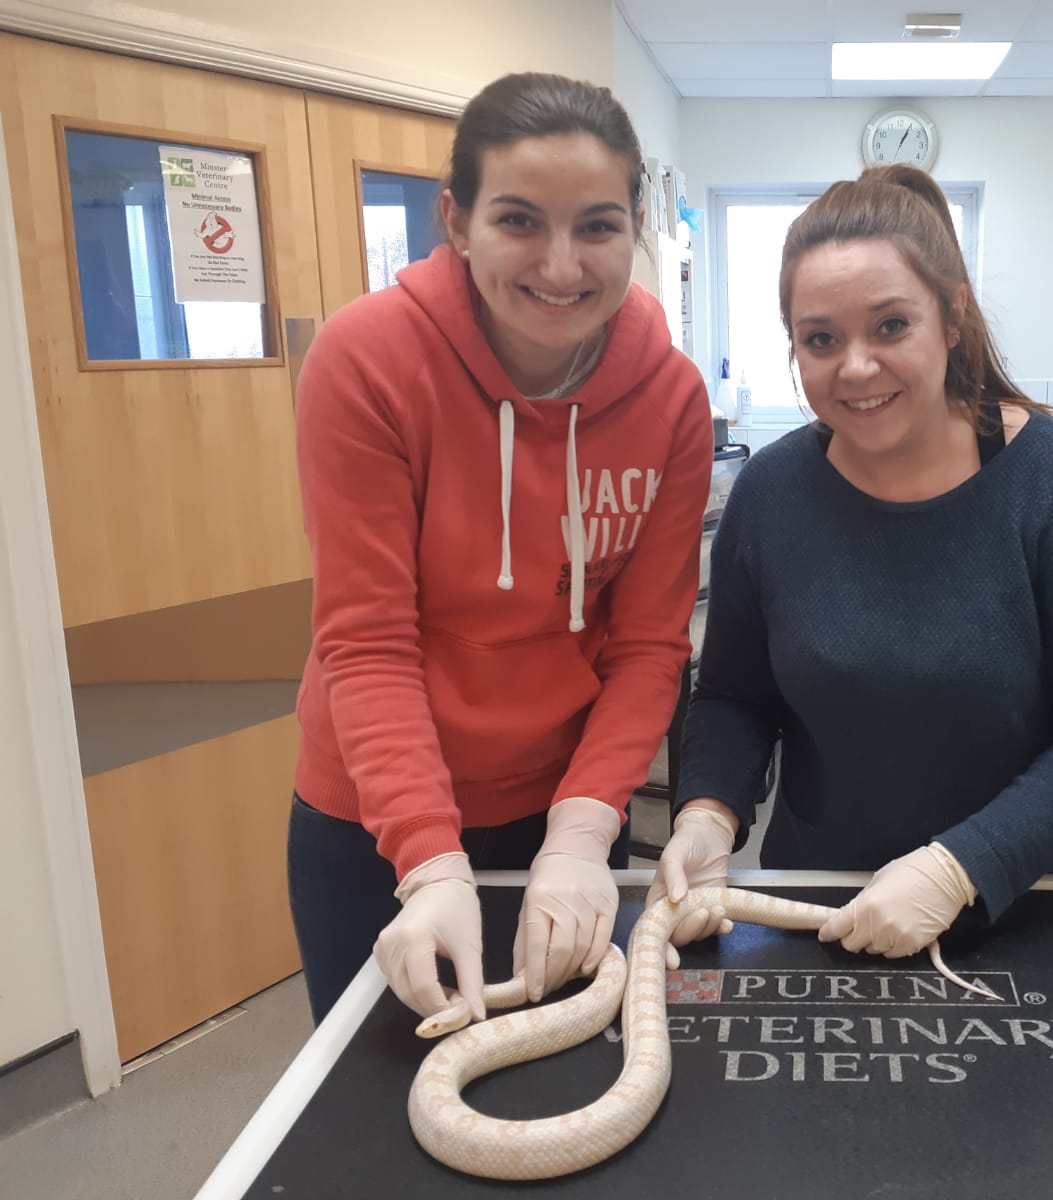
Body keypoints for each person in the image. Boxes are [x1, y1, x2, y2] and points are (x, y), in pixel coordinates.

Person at [648, 164, 1053, 963]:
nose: (854, 366)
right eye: (820, 339)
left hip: (1035, 914)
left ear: (951, 317)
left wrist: (960, 867)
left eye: (889, 326)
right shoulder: (774, 492)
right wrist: (706, 815)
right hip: (824, 912)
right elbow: (735, 697)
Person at [288, 72, 711, 1026]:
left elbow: (648, 645)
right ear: (456, 218)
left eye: (598, 226)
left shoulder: (670, 397)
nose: (561, 266)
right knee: (380, 1118)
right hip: (375, 817)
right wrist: (430, 858)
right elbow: (366, 641)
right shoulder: (368, 364)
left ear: (635, 226)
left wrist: (580, 834)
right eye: (520, 220)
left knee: (565, 1076)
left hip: (566, 805)